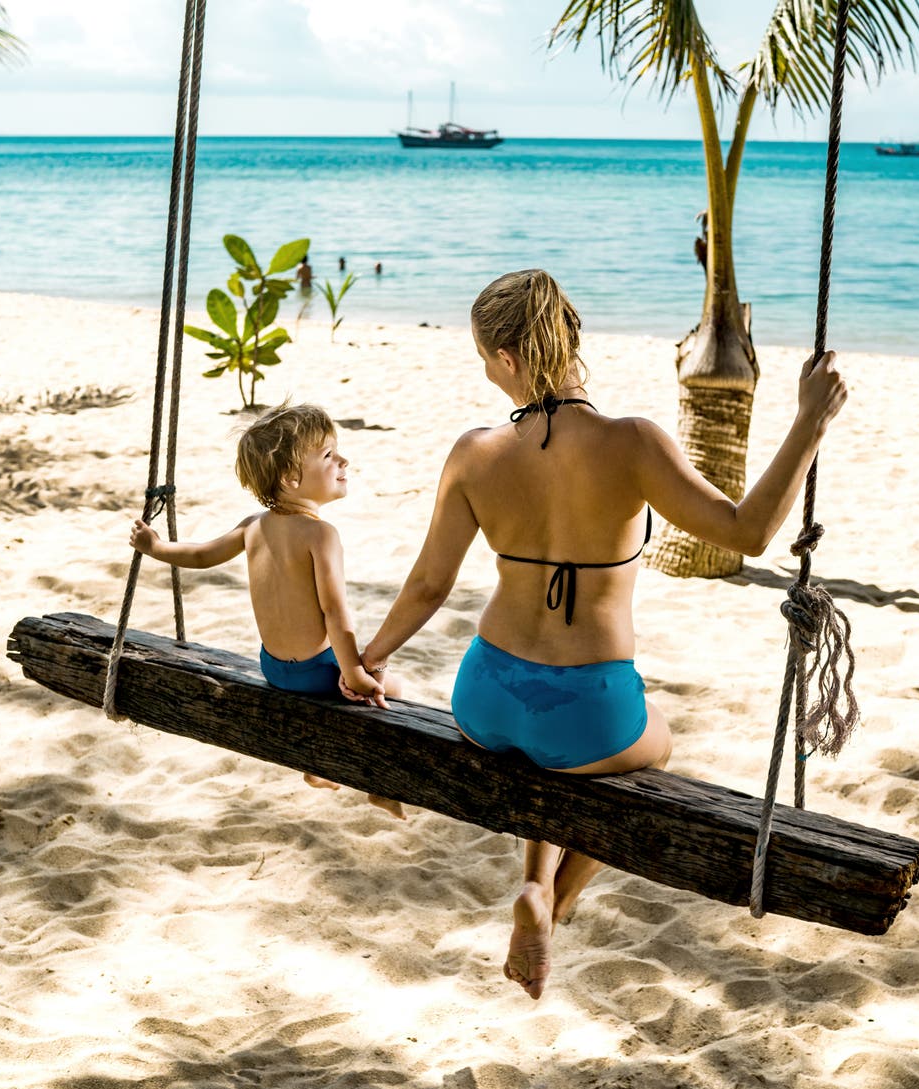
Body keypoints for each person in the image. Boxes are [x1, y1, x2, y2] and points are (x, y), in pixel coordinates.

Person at [354, 270, 848, 998]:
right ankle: (552, 905)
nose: (486, 372)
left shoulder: (474, 451)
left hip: (485, 699)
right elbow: (748, 531)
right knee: (654, 744)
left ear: (509, 358)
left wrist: (368, 659)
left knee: (548, 751)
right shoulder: (633, 443)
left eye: (485, 358)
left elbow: (429, 584)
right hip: (588, 712)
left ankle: (534, 883)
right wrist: (809, 421)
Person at [129, 402, 406, 820]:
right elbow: (335, 613)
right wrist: (353, 672)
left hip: (273, 668)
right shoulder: (321, 535)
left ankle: (319, 767)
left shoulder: (253, 525)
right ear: (291, 478)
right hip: (316, 672)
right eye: (329, 455)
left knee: (354, 679)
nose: (343, 461)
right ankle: (379, 786)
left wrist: (156, 547)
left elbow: (201, 555)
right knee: (391, 687)